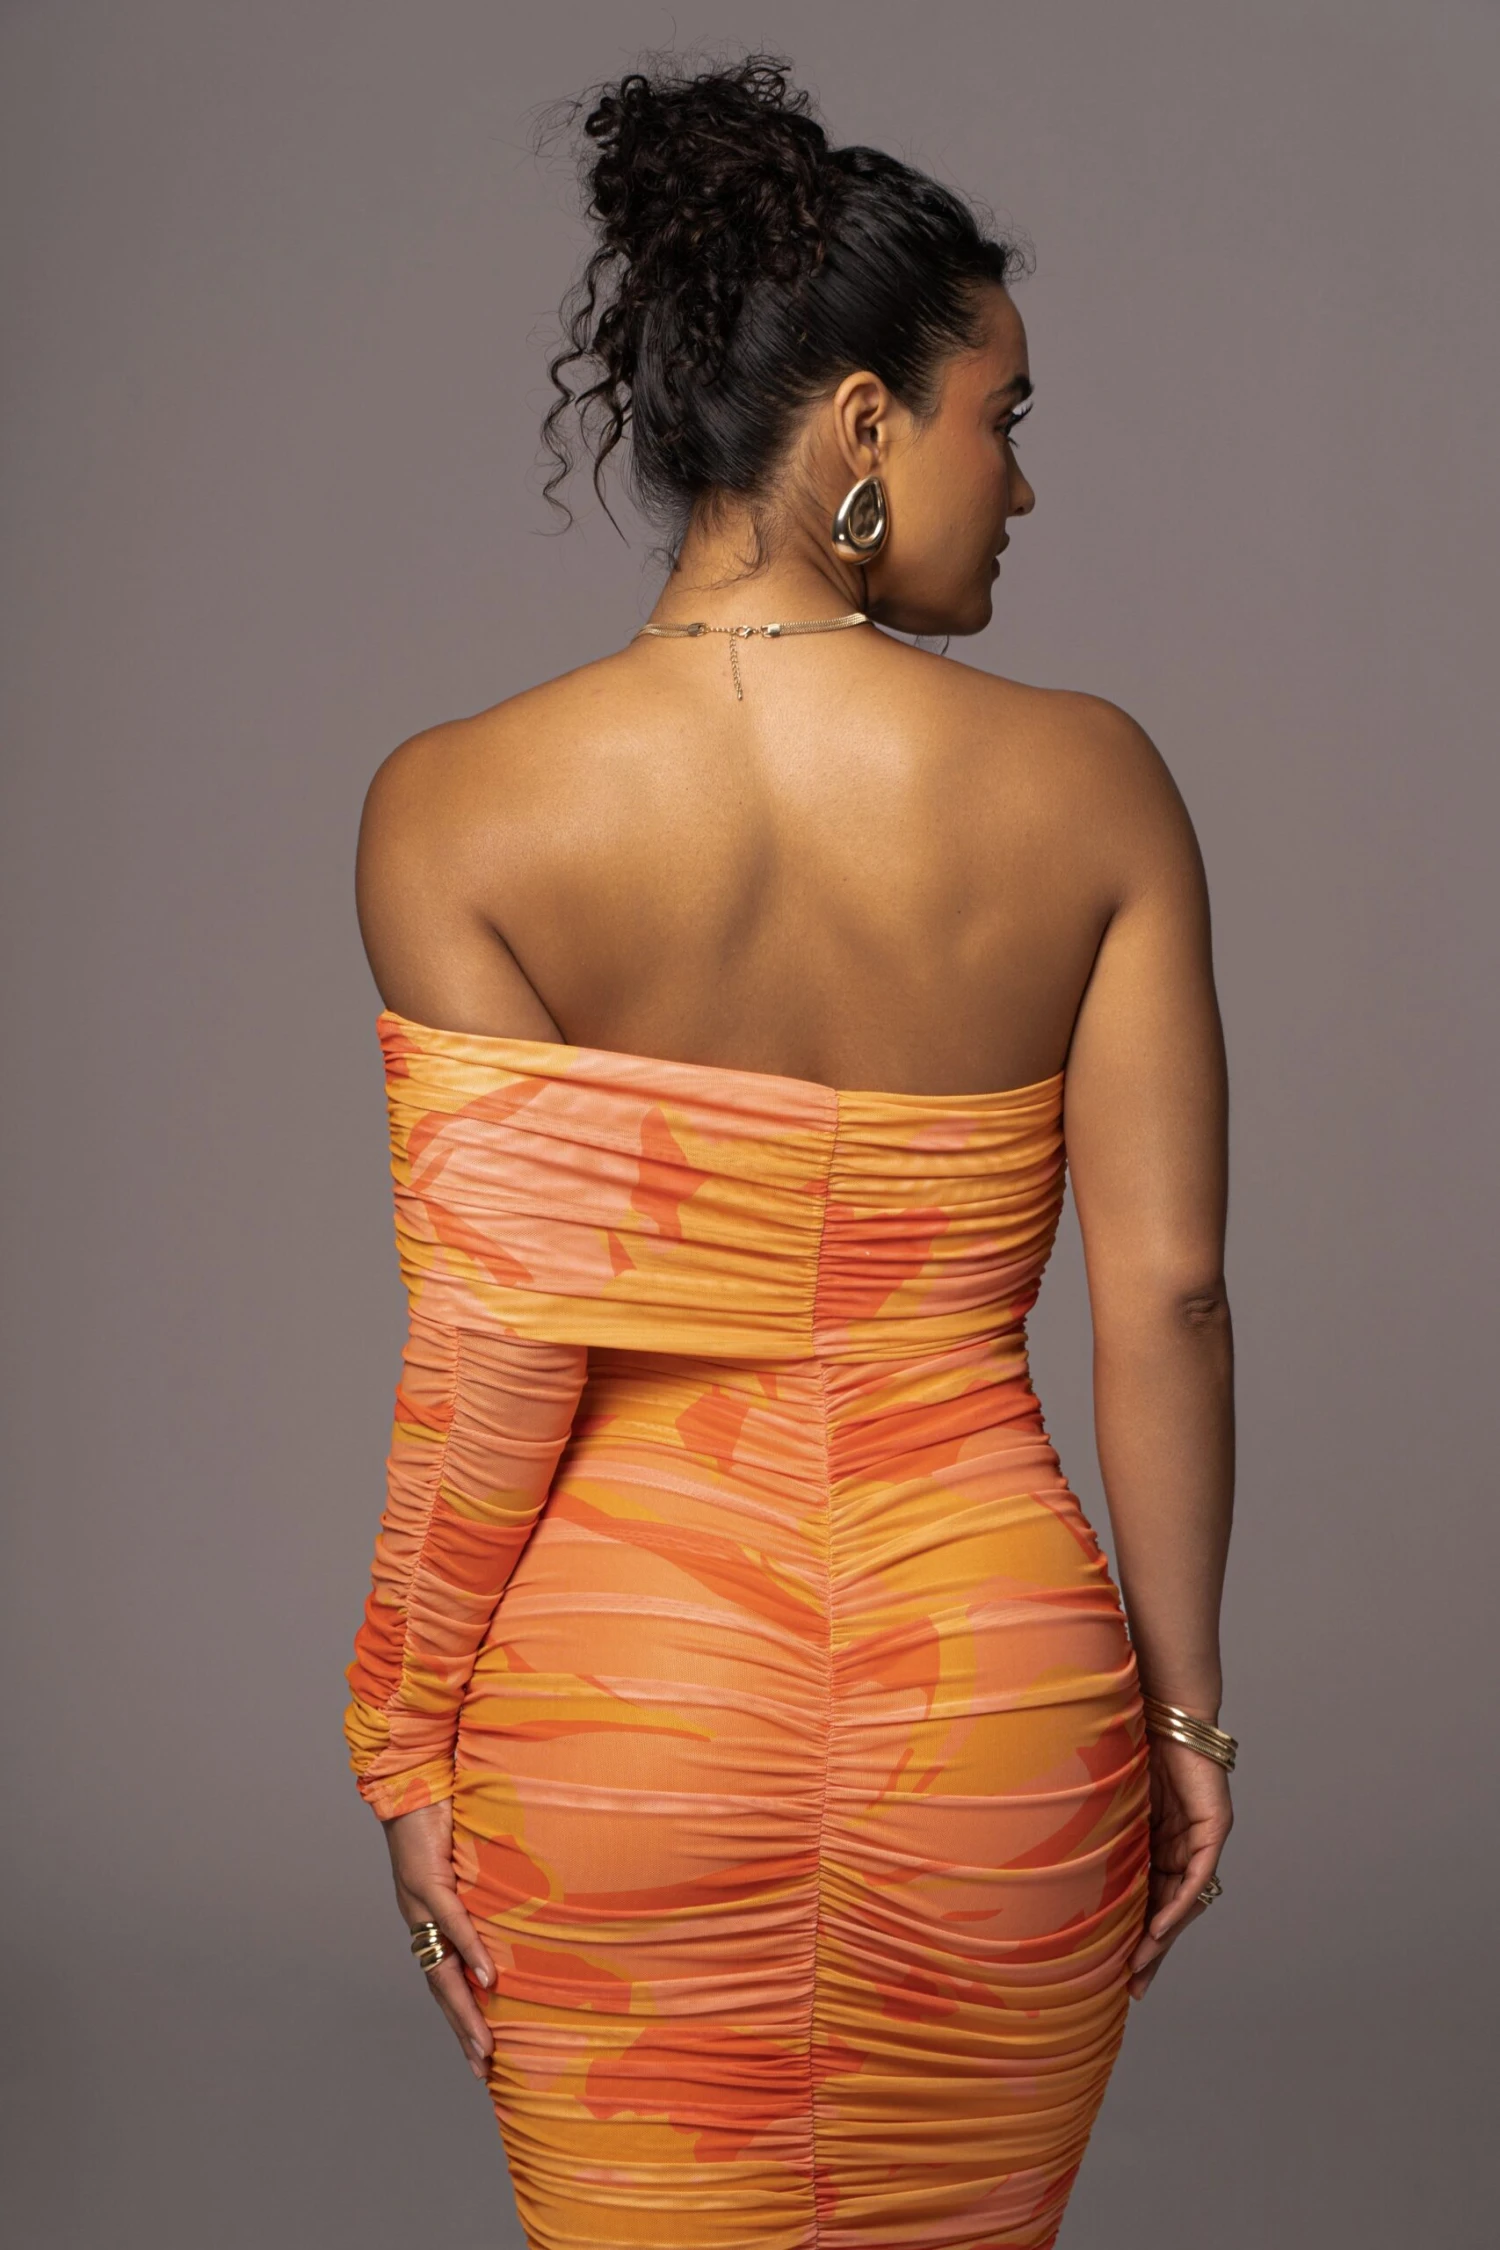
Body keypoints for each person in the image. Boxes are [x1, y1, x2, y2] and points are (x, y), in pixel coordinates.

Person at [343, 52, 1235, 2250]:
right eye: (999, 418)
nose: (1021, 484)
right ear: (858, 427)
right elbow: (1169, 1294)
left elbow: (499, 1347)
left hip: (616, 1708)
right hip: (993, 1706)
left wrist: (404, 1743)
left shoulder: (456, 809)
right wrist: (1185, 1714)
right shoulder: (1095, 785)